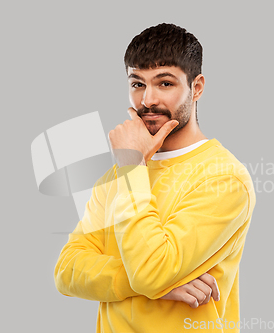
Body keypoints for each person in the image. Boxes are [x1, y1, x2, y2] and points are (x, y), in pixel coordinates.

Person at [54, 23, 256, 332]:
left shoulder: (224, 178)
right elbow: (67, 271)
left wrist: (132, 165)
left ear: (197, 87)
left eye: (164, 83)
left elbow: (151, 270)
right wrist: (151, 285)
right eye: (137, 84)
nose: (148, 100)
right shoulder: (119, 173)